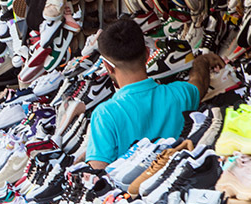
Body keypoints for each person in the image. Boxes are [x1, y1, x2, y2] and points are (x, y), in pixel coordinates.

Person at [87, 18, 220, 169]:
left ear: (108, 67)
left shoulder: (105, 115)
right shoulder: (179, 95)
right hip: (178, 184)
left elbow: (97, 172)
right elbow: (199, 83)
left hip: (131, 191)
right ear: (148, 54)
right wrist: (202, 61)